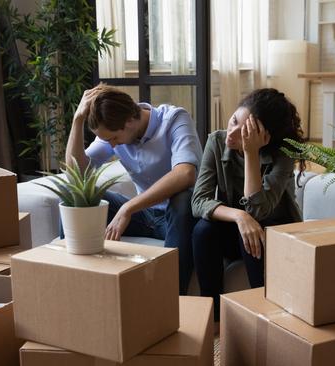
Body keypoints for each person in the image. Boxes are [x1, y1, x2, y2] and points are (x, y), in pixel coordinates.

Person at [66, 84, 203, 295]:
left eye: (113, 138)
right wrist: (77, 120)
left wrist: (128, 208)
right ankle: (75, 286)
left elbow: (185, 174)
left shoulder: (175, 120)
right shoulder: (113, 128)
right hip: (146, 215)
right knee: (79, 199)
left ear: (130, 120)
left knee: (183, 199)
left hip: (178, 218)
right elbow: (76, 173)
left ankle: (172, 300)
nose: (111, 146)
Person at [191, 88, 306, 321]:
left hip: (273, 230)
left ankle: (264, 317)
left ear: (266, 137)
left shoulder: (282, 156)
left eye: (243, 132)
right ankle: (212, 318)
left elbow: (258, 211)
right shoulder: (216, 141)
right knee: (203, 230)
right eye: (233, 120)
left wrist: (250, 153)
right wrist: (239, 217)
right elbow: (198, 201)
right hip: (237, 226)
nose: (231, 134)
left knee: (253, 235)